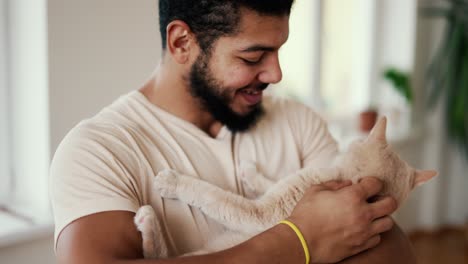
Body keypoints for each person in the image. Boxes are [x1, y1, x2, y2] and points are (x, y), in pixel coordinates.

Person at [49, 1, 417, 263]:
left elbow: (388, 249)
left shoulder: (298, 123)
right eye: (253, 58)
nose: (276, 74)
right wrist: (299, 240)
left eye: (278, 51)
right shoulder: (98, 152)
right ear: (181, 42)